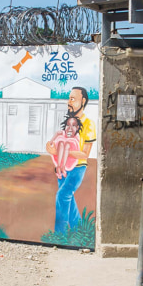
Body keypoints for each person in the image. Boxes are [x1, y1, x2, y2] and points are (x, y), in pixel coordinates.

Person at [48, 87, 95, 233]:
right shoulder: (69, 121)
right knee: (68, 198)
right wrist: (50, 147)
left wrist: (65, 152)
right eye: (69, 98)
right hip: (62, 166)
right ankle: (78, 228)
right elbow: (57, 140)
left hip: (77, 168)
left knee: (62, 195)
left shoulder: (88, 124)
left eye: (73, 99)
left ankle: (60, 232)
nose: (69, 102)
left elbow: (85, 154)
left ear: (83, 101)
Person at [46, 115, 82, 180]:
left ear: (77, 127)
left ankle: (63, 167)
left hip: (69, 158)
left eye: (73, 125)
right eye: (68, 125)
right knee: (61, 143)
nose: (70, 128)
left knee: (68, 144)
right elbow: (53, 139)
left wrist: (70, 137)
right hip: (60, 155)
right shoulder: (62, 133)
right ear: (65, 127)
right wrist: (53, 138)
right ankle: (59, 166)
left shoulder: (77, 136)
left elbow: (78, 146)